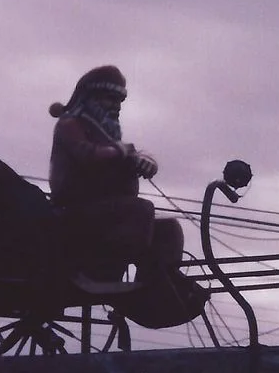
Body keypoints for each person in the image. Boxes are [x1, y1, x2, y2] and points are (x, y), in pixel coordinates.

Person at [48, 65, 186, 290]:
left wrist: (144, 162)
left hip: (106, 213)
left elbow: (133, 153)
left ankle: (157, 286)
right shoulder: (69, 125)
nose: (117, 106)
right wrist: (120, 152)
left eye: (120, 101)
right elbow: (87, 154)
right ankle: (101, 272)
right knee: (140, 211)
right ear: (91, 97)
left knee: (168, 229)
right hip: (73, 211)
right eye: (110, 99)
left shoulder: (107, 135)